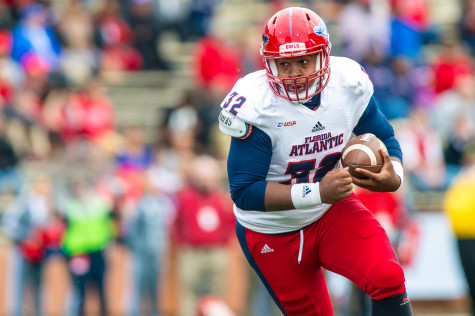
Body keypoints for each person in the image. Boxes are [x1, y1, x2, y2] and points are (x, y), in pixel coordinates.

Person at [217, 7, 413, 316]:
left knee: (386, 274)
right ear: (269, 63)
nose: (294, 73)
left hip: (331, 211)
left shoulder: (348, 82)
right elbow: (243, 192)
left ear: (324, 56)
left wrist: (395, 175)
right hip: (272, 230)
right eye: (284, 64)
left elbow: (384, 136)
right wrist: (318, 192)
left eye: (304, 61)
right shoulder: (255, 104)